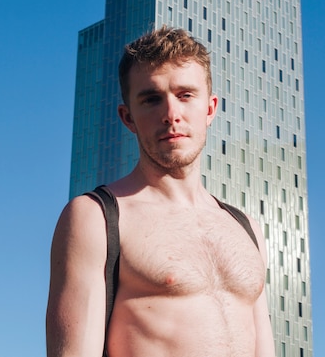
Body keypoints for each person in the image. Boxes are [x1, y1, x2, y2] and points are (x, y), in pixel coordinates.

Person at [46, 26, 275, 357]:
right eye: (152, 99)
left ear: (210, 109)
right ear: (128, 117)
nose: (171, 115)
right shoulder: (95, 217)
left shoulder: (246, 228)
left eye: (185, 95)